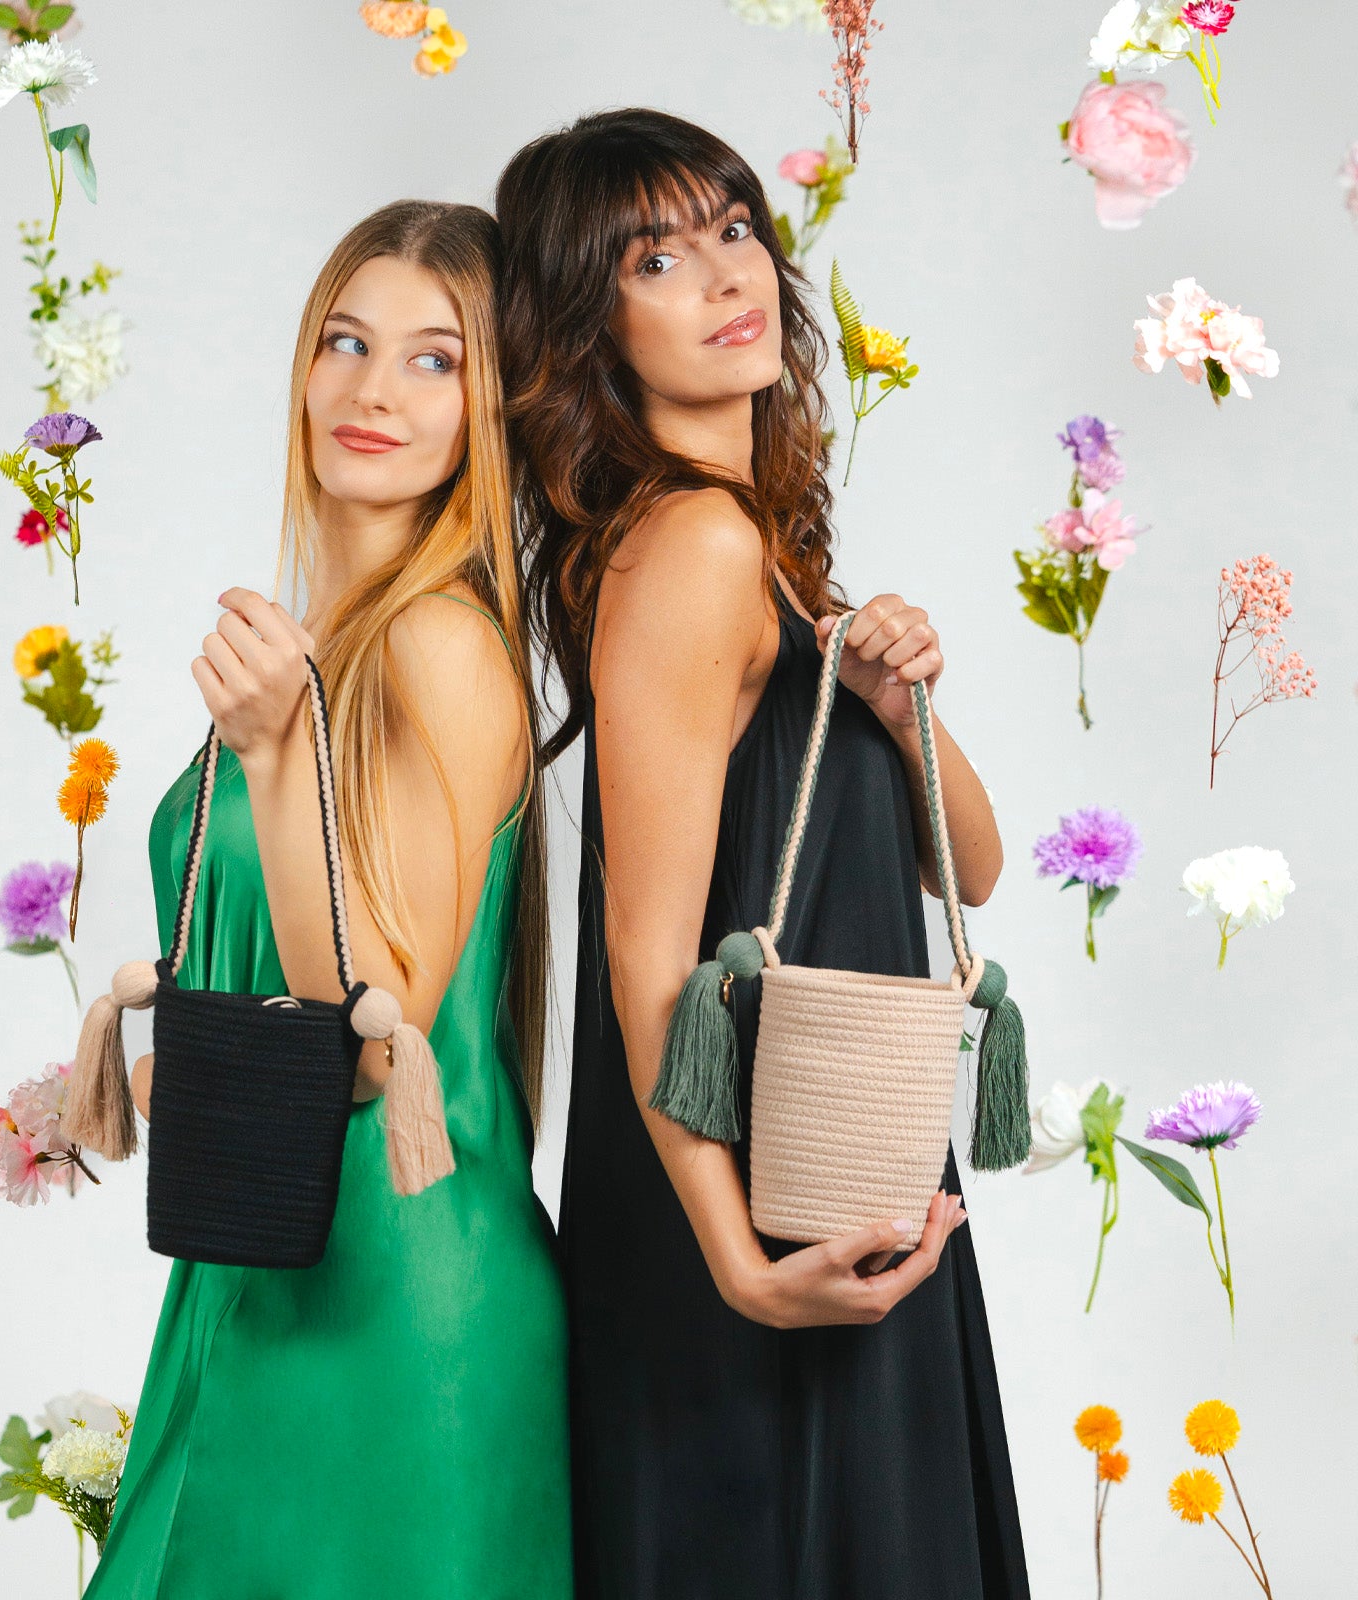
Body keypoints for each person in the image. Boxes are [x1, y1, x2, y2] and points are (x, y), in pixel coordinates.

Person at [496, 110, 1031, 1599]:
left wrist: (894, 704)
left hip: (826, 1163)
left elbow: (973, 869)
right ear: (589, 328)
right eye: (655, 260)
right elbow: (646, 954)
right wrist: (739, 1264)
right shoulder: (694, 547)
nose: (726, 273)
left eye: (733, 228)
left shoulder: (764, 548)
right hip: (754, 1207)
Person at [86, 200, 572, 1599]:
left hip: (394, 1300)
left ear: (493, 407)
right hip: (266, 1258)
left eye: (435, 359)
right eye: (346, 342)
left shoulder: (437, 644)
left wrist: (273, 754)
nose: (373, 390)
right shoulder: (331, 643)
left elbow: (370, 1031)